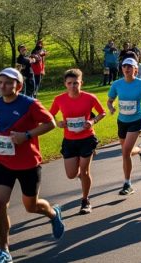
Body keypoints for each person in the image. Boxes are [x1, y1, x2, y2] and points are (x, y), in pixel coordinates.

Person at [0, 68, 64, 262]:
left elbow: (50, 123)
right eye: (0, 82)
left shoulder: (30, 104)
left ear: (19, 85)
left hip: (28, 164)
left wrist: (27, 136)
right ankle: (4, 251)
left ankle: (52, 213)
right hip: (3, 161)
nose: (3, 86)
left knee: (31, 206)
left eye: (8, 83)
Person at [50, 69, 105, 215]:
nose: (73, 86)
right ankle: (83, 176)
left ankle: (85, 200)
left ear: (81, 83)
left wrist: (92, 121)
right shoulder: (59, 99)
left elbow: (102, 112)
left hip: (87, 138)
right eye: (70, 83)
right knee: (71, 174)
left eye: (76, 83)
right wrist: (58, 123)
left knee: (85, 171)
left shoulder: (90, 97)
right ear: (65, 84)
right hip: (69, 140)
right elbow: (50, 116)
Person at [108, 58, 141, 196]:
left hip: (137, 120)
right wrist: (111, 107)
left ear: (136, 69)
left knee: (125, 152)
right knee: (126, 152)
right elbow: (110, 100)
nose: (127, 69)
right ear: (122, 69)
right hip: (122, 121)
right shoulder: (116, 84)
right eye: (124, 66)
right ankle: (140, 150)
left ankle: (127, 183)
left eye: (130, 66)